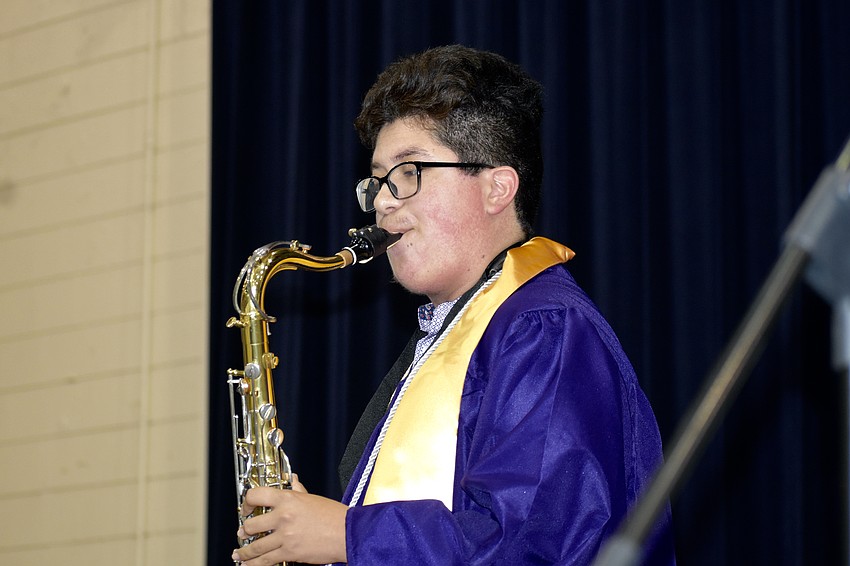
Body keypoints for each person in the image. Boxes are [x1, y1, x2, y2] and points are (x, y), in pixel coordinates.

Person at [232, 44, 675, 565]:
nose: (382, 200)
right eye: (377, 180)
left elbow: (538, 545)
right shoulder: (449, 334)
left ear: (497, 188)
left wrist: (350, 535)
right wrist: (315, 536)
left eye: (408, 171)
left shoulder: (543, 327)